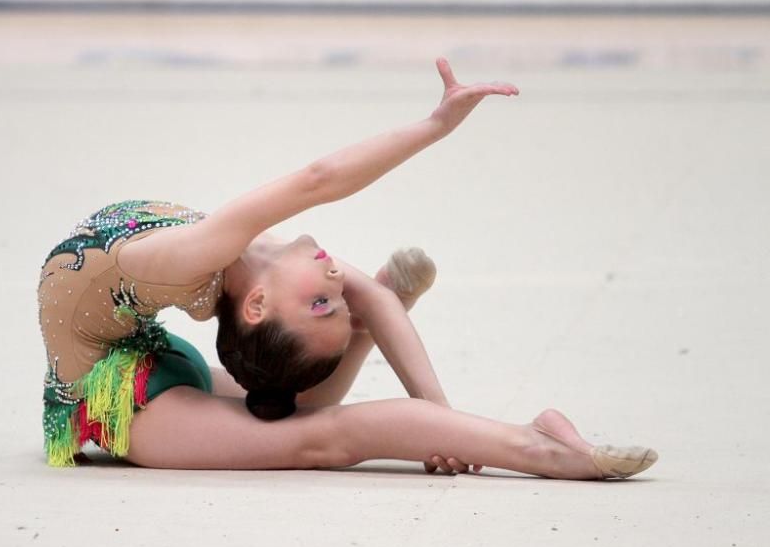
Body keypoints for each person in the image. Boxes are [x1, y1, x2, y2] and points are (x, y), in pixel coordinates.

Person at [37, 58, 658, 480]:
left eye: (323, 305)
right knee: (313, 428)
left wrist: (441, 421)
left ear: (257, 308)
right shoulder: (218, 257)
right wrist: (433, 127)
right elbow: (320, 181)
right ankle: (539, 448)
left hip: (143, 377)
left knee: (314, 427)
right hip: (117, 391)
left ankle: (541, 446)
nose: (339, 283)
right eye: (329, 303)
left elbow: (367, 284)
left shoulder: (233, 256)